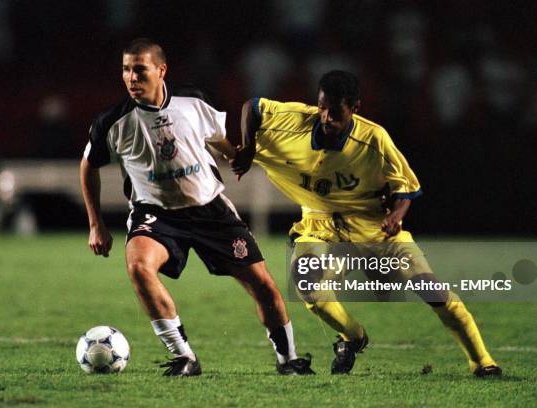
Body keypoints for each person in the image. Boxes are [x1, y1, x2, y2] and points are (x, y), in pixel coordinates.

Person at [231, 70, 502, 377]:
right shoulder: (296, 120)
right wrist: (249, 146)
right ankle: (353, 337)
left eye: (335, 111)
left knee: (432, 291)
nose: (326, 117)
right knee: (310, 290)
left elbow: (406, 189)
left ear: (354, 107)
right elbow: (251, 107)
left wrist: (395, 217)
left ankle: (483, 362)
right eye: (322, 107)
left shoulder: (374, 139)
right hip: (318, 225)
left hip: (372, 227)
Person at [80, 38, 313, 377]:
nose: (131, 77)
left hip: (210, 209)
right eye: (126, 70)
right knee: (139, 267)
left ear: (161, 70)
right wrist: (95, 223)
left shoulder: (192, 101)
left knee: (263, 285)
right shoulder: (112, 122)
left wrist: (234, 153)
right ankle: (184, 356)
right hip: (155, 214)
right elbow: (88, 166)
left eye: (139, 70)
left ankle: (288, 359)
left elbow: (213, 136)